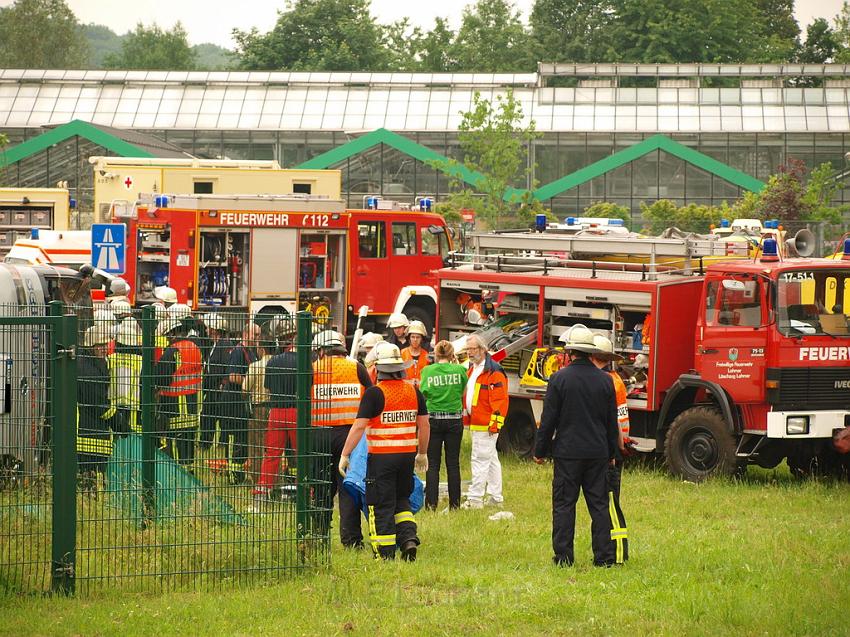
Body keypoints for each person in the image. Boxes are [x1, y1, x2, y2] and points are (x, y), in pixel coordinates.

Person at [533, 325, 620, 568]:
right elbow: (610, 422)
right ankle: (604, 558)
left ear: (570, 351)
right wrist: (612, 454)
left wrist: (540, 451)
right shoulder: (605, 381)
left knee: (564, 505)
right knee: (599, 506)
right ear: (590, 352)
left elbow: (548, 420)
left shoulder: (559, 379)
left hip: (567, 454)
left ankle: (563, 558)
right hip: (598, 453)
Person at [340, 342, 430, 561]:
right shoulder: (413, 391)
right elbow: (425, 424)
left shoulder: (374, 394)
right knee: (401, 500)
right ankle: (408, 538)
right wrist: (422, 453)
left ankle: (384, 553)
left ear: (379, 369)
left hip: (381, 460)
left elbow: (359, 426)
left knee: (380, 505)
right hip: (407, 458)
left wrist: (345, 454)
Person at [312, 329, 373, 549]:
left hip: (319, 435)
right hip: (350, 436)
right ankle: (352, 540)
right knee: (348, 486)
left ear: (321, 350)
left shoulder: (313, 369)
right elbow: (373, 395)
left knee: (320, 486)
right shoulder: (357, 367)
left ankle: (317, 534)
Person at [590, 334, 629, 564]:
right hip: (608, 449)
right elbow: (622, 420)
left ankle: (617, 553)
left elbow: (618, 421)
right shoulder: (614, 380)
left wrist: (618, 449)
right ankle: (613, 550)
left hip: (607, 451)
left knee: (609, 505)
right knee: (608, 503)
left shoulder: (610, 382)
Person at [461, 334, 508, 509]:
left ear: (482, 349)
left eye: (472, 349)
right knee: (491, 459)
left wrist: (495, 423)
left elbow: (500, 401)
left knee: (479, 459)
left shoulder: (493, 371)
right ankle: (496, 497)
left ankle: (475, 499)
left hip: (486, 423)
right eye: (467, 349)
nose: (469, 353)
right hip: (477, 421)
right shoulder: (473, 368)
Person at [419, 340, 467, 510]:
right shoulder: (460, 370)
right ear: (452, 354)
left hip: (433, 420)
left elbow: (423, 392)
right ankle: (455, 505)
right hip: (454, 419)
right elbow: (462, 391)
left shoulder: (427, 371)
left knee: (432, 464)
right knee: (453, 463)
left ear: (436, 354)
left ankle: (431, 504)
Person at [255, 317, 299, 501]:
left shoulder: (272, 362)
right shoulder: (304, 362)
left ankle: (262, 492)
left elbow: (269, 388)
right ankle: (306, 490)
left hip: (277, 411)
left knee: (272, 453)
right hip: (297, 411)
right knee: (301, 453)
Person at [154, 316, 203, 469]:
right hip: (193, 407)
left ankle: (178, 480)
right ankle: (190, 475)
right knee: (188, 447)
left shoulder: (172, 351)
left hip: (176, 410)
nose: (167, 339)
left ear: (172, 333)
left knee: (175, 447)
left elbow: (161, 378)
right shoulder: (194, 347)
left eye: (168, 336)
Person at [77, 325, 117, 494]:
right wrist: (118, 422)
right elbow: (98, 403)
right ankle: (93, 500)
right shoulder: (87, 369)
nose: (103, 348)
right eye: (98, 346)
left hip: (92, 428)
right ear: (90, 346)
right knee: (90, 471)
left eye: (104, 345)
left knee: (91, 472)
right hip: (88, 429)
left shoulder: (95, 362)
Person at [221, 322, 260, 484]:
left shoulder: (252, 352)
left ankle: (240, 473)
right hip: (232, 404)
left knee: (243, 440)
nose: (258, 338)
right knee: (234, 439)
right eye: (255, 335)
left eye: (259, 335)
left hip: (244, 403)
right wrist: (251, 383)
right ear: (245, 334)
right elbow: (233, 376)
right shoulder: (238, 352)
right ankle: (233, 475)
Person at [244, 329, 274, 483]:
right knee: (274, 448)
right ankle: (275, 480)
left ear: (262, 348)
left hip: (258, 408)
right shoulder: (279, 364)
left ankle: (257, 481)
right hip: (275, 408)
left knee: (256, 447)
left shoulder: (255, 366)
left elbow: (244, 388)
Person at [199, 313, 233, 448]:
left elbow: (224, 367)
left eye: (208, 328)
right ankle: (207, 443)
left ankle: (218, 443)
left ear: (214, 329)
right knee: (208, 416)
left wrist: (221, 384)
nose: (206, 330)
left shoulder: (224, 345)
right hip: (213, 389)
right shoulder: (215, 345)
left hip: (218, 390)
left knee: (216, 417)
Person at [108, 317, 143, 435]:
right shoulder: (139, 360)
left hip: (113, 402)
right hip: (133, 403)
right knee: (132, 432)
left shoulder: (111, 359)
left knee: (115, 432)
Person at [401, 320, 429, 387]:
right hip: (406, 390)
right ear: (409, 338)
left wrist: (421, 382)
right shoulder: (402, 353)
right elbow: (397, 377)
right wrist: (408, 382)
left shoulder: (426, 355)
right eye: (413, 337)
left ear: (422, 339)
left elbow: (429, 377)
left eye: (418, 337)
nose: (415, 339)